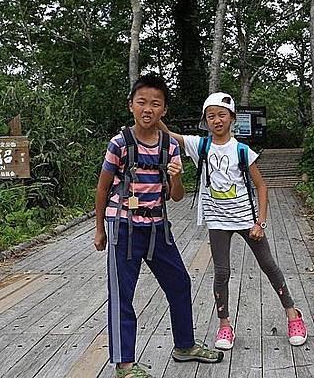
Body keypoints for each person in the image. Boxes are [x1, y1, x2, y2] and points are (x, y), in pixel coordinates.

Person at [94, 75, 223, 378]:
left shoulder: (169, 145)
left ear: (163, 110)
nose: (148, 108)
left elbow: (176, 196)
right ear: (131, 106)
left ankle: (184, 345)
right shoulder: (119, 144)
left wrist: (176, 175)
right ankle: (124, 364)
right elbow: (102, 189)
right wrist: (99, 228)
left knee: (179, 283)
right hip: (123, 227)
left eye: (155, 103)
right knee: (122, 294)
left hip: (158, 227)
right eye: (142, 102)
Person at [158, 92, 308, 351]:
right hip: (217, 220)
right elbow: (170, 136)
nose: (217, 120)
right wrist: (157, 115)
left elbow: (261, 187)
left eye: (222, 115)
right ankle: (224, 325)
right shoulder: (200, 146)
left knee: (269, 266)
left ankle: (293, 315)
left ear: (232, 119)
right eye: (211, 116)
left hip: (246, 220)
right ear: (205, 121)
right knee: (221, 273)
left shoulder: (242, 151)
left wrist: (260, 223)